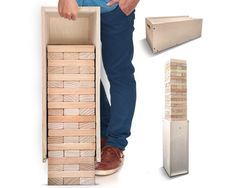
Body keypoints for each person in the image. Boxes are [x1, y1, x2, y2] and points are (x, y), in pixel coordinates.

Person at [58, 0, 139, 176]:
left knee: (120, 75)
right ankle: (104, 132)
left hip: (115, 9)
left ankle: (115, 145)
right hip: (76, 8)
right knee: (84, 70)